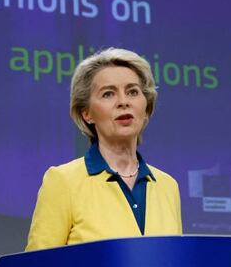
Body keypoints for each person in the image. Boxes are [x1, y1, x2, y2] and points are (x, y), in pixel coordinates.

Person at [25, 48, 182, 251]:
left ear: (146, 106)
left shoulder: (168, 186)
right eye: (108, 94)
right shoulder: (63, 182)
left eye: (133, 92)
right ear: (87, 114)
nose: (123, 102)